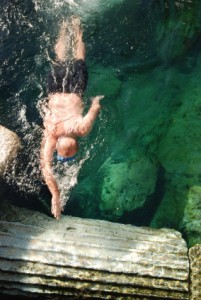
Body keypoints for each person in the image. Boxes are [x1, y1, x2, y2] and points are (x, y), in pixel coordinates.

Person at [40, 17, 104, 219]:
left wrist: (95, 101)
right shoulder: (53, 132)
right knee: (59, 60)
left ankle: (77, 29)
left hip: (76, 90)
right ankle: (63, 27)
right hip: (54, 92)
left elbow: (95, 109)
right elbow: (45, 166)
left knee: (79, 59)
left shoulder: (81, 128)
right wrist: (55, 196)